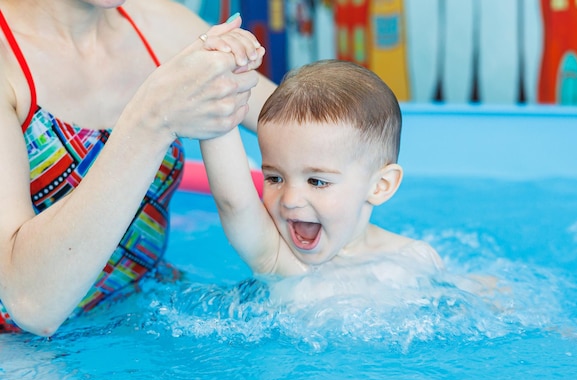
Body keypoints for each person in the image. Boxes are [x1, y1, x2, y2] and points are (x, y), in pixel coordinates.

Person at [0, 0, 273, 336]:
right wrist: (150, 119)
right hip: (21, 353)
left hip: (145, 308)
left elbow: (304, 129)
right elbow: (30, 304)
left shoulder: (153, 21)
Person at [199, 60, 444, 287]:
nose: (290, 199)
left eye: (316, 181)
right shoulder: (277, 259)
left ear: (380, 185)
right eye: (275, 178)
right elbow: (234, 204)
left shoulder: (415, 259)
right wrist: (214, 100)